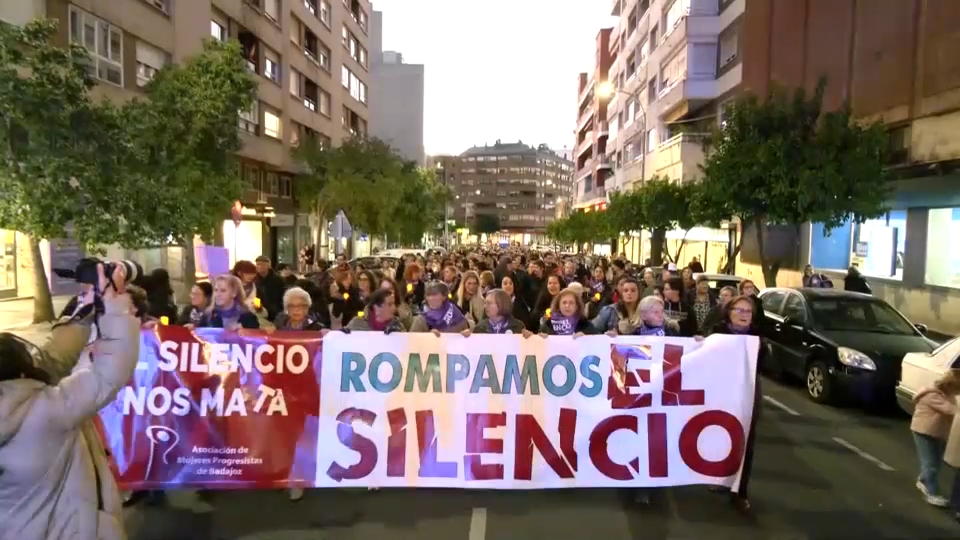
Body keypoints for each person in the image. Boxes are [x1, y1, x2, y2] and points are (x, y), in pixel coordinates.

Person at [0, 262, 139, 540]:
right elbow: (110, 370)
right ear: (22, 371)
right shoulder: (48, 411)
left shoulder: (19, 406)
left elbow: (50, 360)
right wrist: (113, 304)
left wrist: (82, 313)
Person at [706, 295, 765, 512]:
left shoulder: (757, 337)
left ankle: (740, 492)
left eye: (748, 311)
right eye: (739, 310)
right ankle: (719, 478)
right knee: (719, 436)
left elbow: (764, 365)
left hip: (747, 395)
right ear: (728, 312)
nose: (744, 315)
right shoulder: (717, 333)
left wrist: (762, 351)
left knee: (745, 442)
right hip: (720, 393)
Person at [910, 373, 958, 507]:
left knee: (935, 462)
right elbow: (951, 410)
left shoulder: (947, 395)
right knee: (931, 464)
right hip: (924, 432)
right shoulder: (933, 395)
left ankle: (924, 480)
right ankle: (931, 493)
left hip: (937, 433)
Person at [465, 288, 530, 336]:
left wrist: (530, 338)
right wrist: (466, 338)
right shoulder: (480, 328)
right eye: (485, 303)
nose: (485, 306)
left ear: (501, 304)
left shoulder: (518, 327)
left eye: (489, 303)